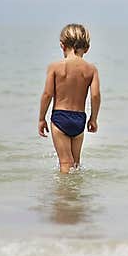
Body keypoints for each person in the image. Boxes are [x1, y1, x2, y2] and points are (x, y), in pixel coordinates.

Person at [38, 23, 101, 173]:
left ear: (62, 45)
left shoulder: (55, 67)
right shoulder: (91, 69)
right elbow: (95, 95)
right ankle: (75, 195)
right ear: (86, 48)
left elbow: (47, 94)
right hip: (79, 119)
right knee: (76, 164)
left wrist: (41, 118)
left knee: (65, 163)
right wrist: (93, 118)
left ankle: (64, 196)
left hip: (60, 117)